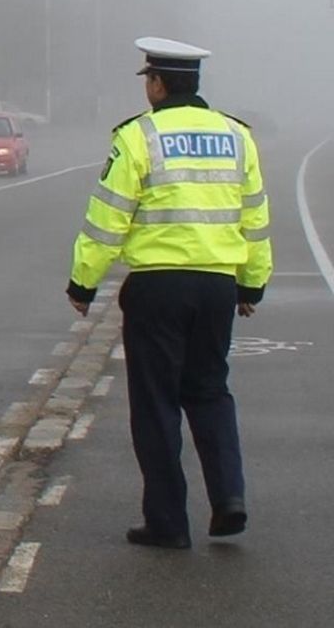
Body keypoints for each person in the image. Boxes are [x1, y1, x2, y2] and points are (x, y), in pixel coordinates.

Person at [66, 37, 273, 550]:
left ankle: (167, 522)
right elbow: (256, 217)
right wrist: (251, 282)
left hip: (158, 287)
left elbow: (107, 218)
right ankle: (229, 499)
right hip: (217, 286)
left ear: (157, 84)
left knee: (157, 403)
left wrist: (83, 282)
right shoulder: (236, 136)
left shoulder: (139, 137)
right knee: (210, 391)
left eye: (148, 82)